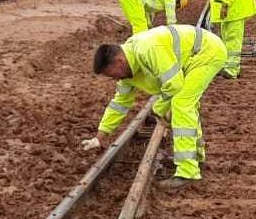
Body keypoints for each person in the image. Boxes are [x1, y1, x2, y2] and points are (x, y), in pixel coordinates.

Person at [83, 25, 227, 191]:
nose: (114, 79)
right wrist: (99, 137)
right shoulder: (126, 72)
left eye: (111, 74)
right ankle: (196, 156)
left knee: (181, 103)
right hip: (192, 60)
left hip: (207, 52)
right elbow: (119, 104)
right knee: (184, 103)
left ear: (119, 61)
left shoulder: (148, 49)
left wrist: (158, 109)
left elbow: (174, 84)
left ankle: (188, 172)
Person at [117, 0, 188, 34]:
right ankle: (141, 48)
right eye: (177, 7)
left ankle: (137, 45)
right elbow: (171, 21)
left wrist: (149, 26)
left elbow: (145, 10)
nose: (175, 8)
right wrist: (175, 35)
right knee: (141, 27)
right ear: (178, 0)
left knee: (138, 24)